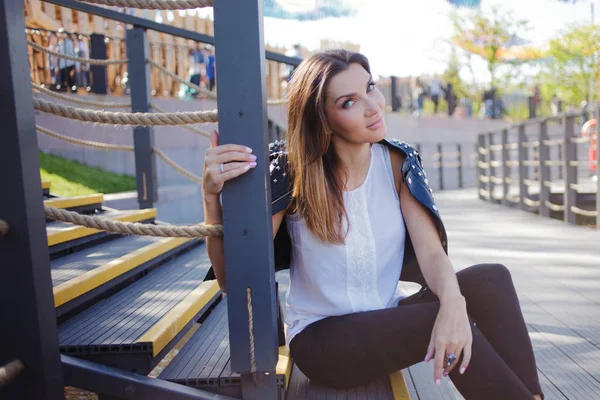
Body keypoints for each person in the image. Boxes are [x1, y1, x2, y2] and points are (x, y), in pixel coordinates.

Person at [202, 49, 544, 400]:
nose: (373, 106)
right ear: (322, 118)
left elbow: (432, 255)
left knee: (491, 278)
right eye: (349, 102)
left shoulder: (397, 162)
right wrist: (211, 199)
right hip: (324, 342)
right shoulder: (295, 172)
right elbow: (232, 280)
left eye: (371, 87)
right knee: (434, 319)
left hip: (387, 321)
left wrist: (455, 305)